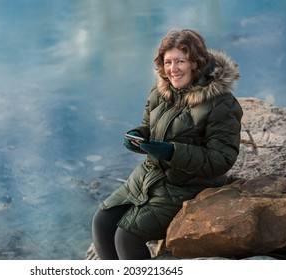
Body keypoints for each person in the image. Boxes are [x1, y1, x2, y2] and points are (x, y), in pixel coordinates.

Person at [91, 28, 243, 260]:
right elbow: (148, 124)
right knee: (102, 222)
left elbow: (221, 159)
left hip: (188, 185)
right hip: (150, 175)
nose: (172, 69)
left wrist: (172, 152)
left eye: (180, 61)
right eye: (168, 62)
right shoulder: (161, 90)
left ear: (196, 62)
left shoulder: (221, 103)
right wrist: (137, 136)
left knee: (127, 236)